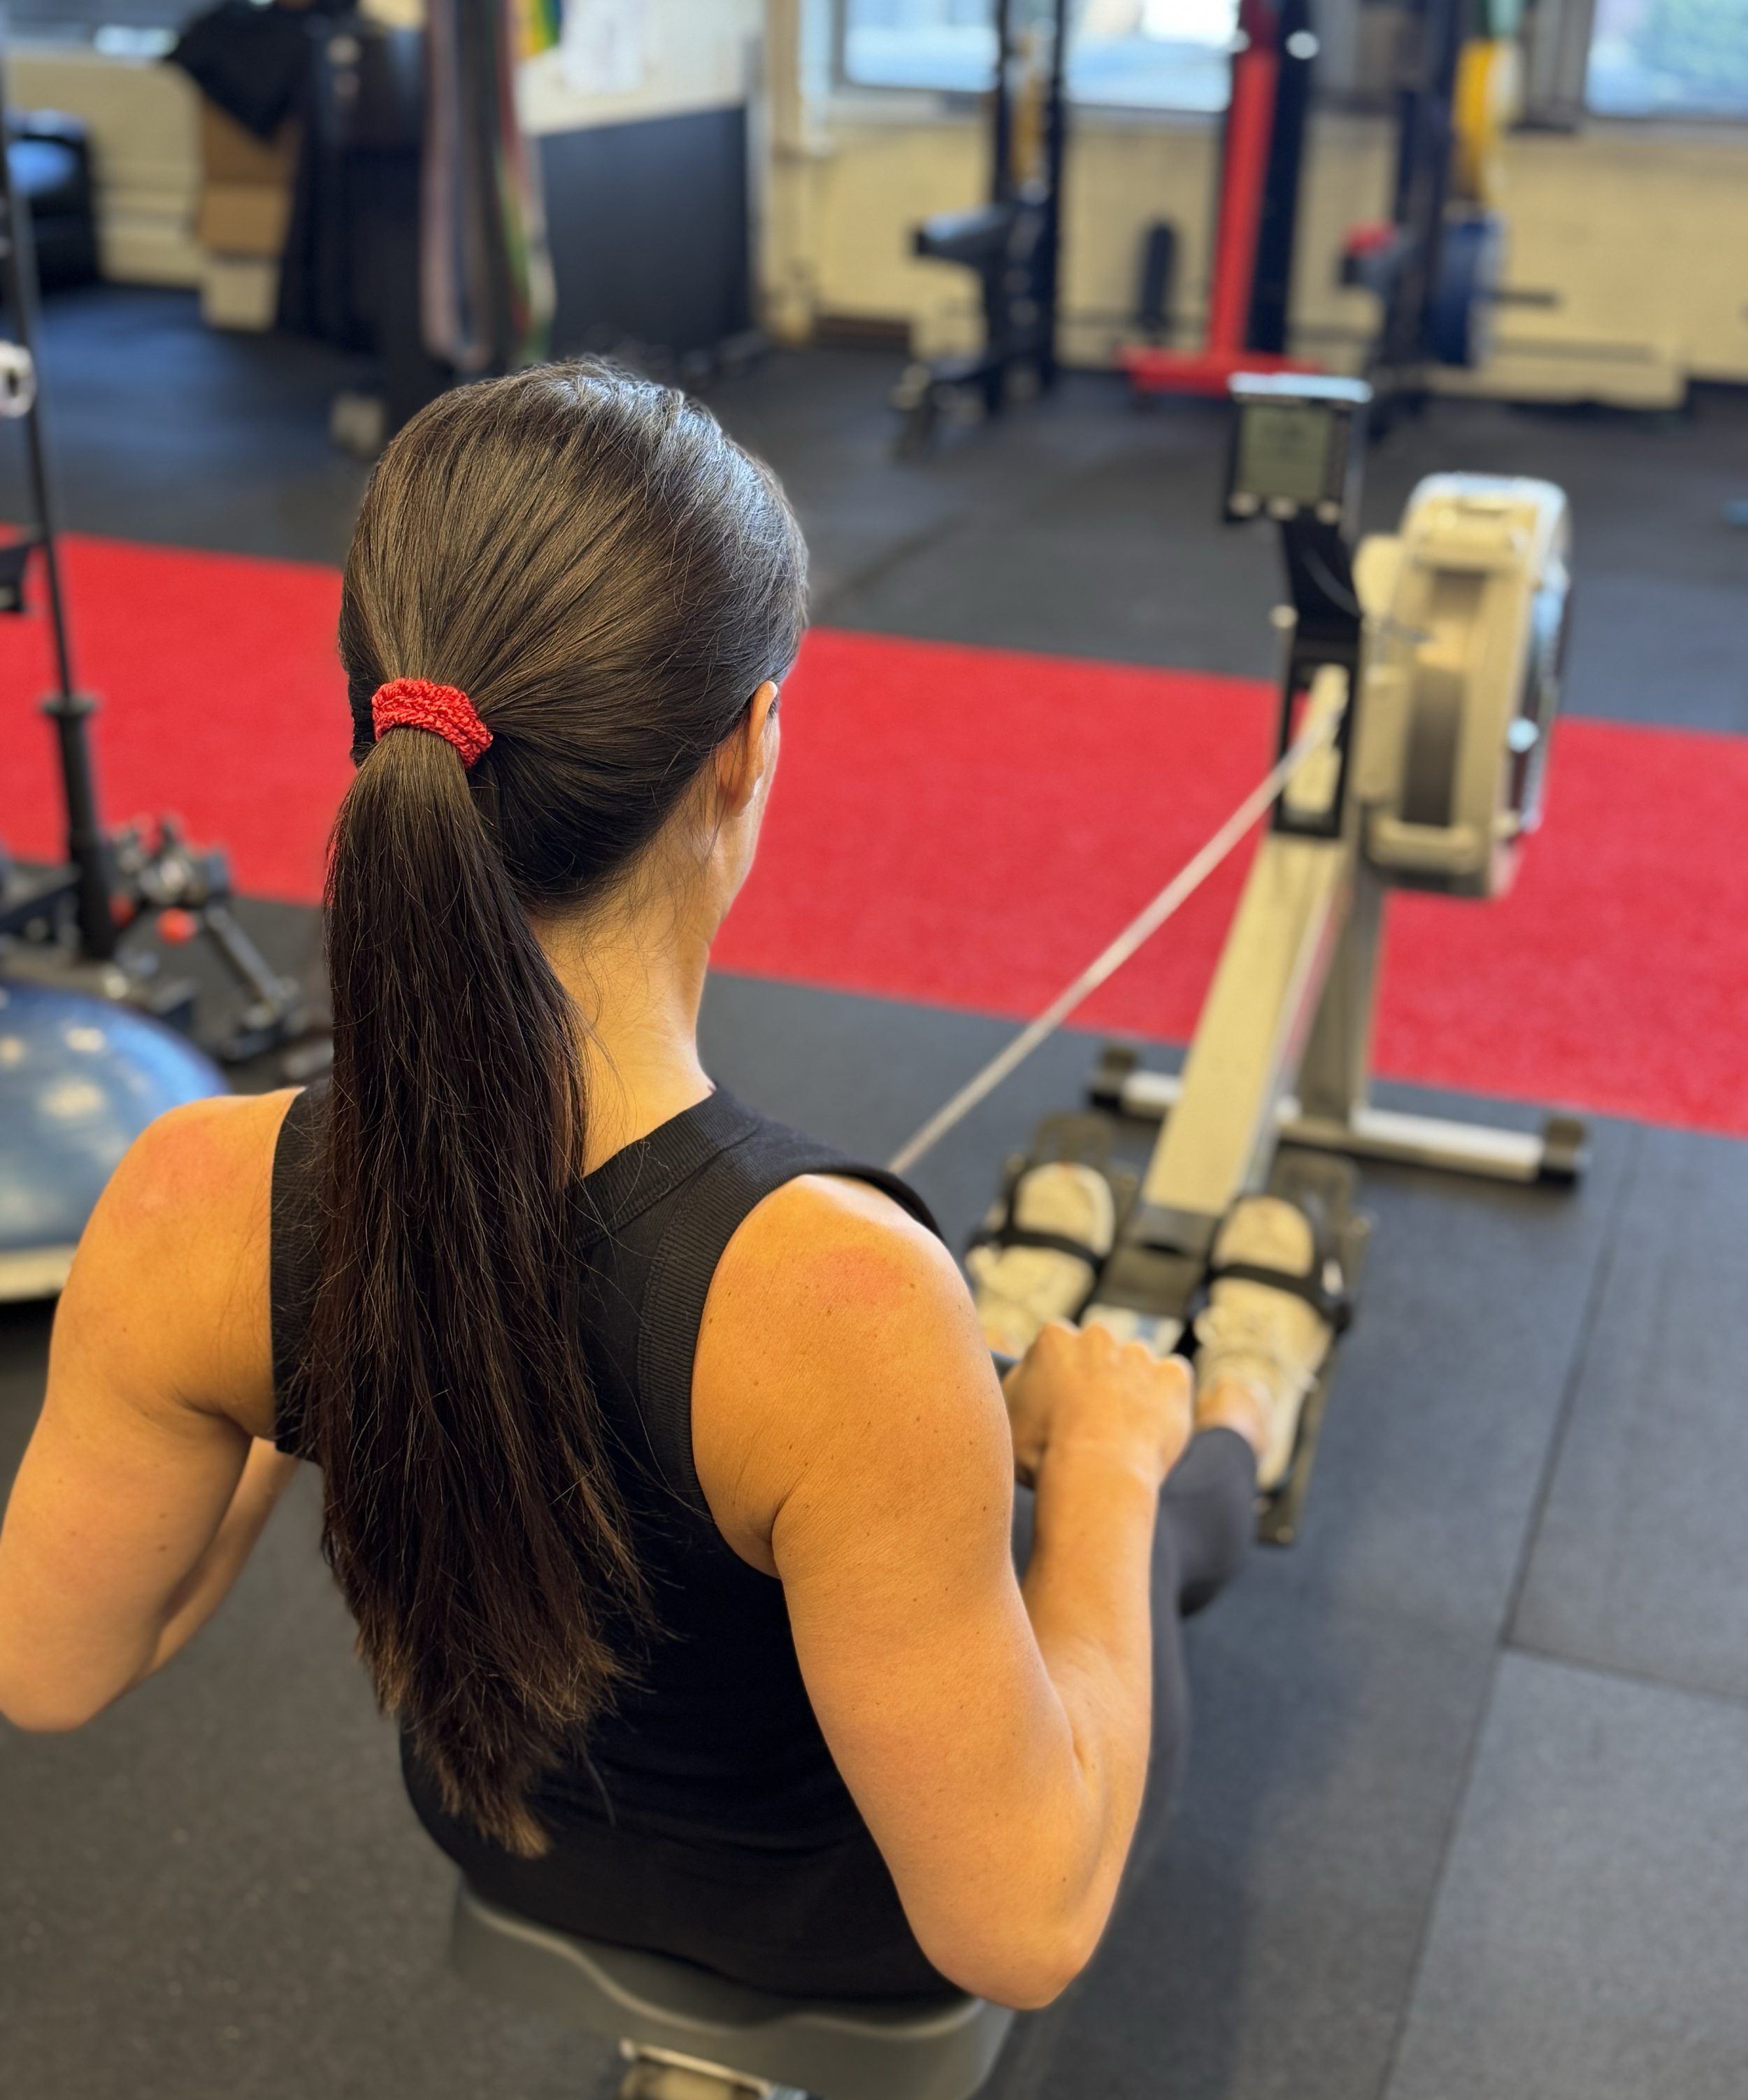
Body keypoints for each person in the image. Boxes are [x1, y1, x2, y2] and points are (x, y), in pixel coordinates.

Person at [0, 364, 1310, 2010]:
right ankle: (1226, 1419)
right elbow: (1022, 1925)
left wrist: (281, 1339)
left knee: (943, 1481)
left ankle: (1098, 1396)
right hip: (846, 1926)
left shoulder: (190, 1195)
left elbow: (50, 1672)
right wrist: (1114, 1467)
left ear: (378, 713)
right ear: (749, 747)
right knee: (1124, 1488)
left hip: (498, 1830)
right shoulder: (843, 1302)